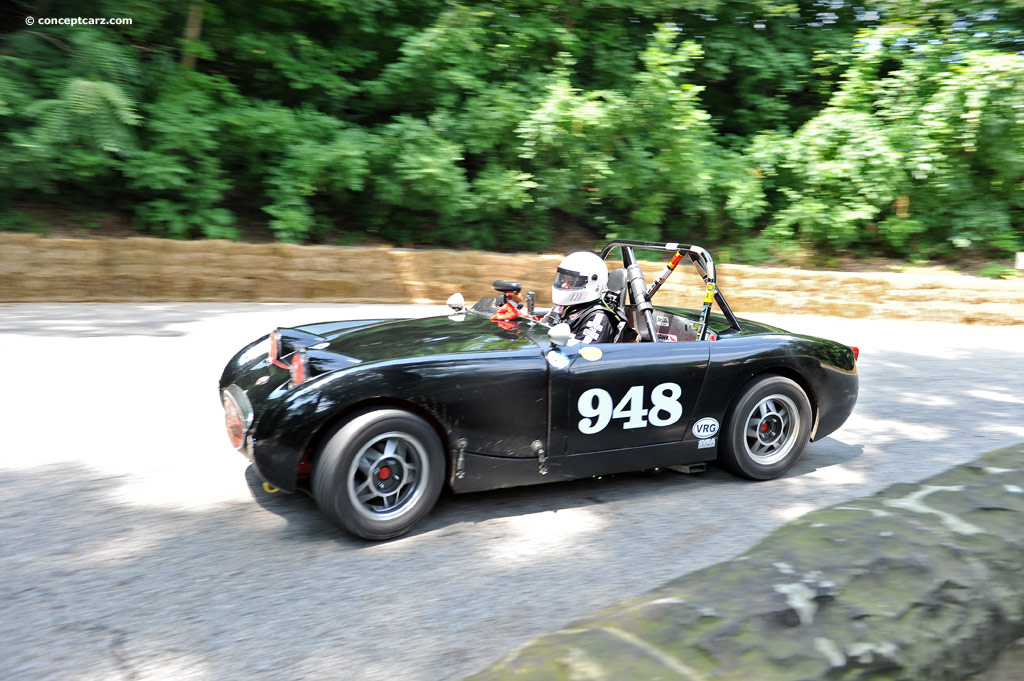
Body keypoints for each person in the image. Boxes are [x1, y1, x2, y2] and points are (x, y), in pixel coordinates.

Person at [544, 251, 621, 344]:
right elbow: (540, 330)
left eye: (571, 281)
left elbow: (583, 354)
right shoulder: (562, 307)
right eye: (563, 279)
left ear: (592, 284)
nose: (564, 285)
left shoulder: (597, 318)